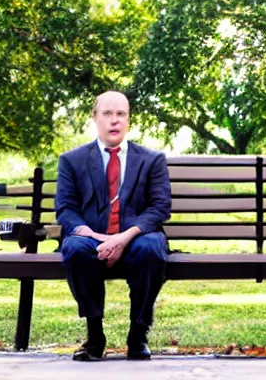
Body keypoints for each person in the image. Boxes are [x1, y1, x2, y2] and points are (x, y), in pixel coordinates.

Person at [55, 90, 171, 361]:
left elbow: (159, 208)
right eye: (107, 114)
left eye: (121, 114)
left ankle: (138, 336)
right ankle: (95, 336)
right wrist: (95, 235)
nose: (114, 121)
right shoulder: (71, 161)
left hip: (136, 237)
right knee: (75, 248)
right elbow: (66, 209)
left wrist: (123, 238)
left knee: (151, 249)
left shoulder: (152, 160)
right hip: (91, 236)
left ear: (129, 120)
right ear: (95, 118)